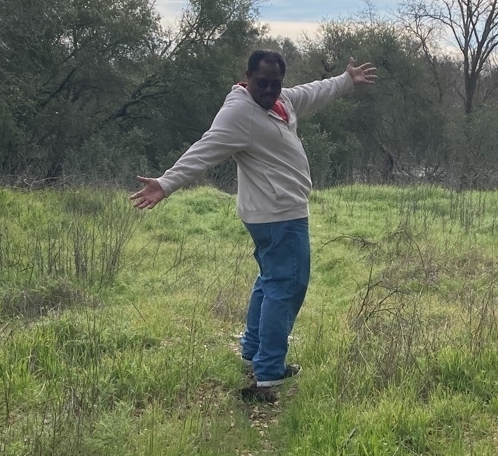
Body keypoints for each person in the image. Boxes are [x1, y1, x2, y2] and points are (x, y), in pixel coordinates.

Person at [130, 49, 376, 401]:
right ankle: (269, 373)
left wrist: (345, 81)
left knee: (270, 281)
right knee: (287, 286)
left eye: (276, 83)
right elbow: (206, 148)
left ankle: (254, 350)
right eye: (262, 83)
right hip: (279, 215)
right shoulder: (240, 112)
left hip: (272, 212)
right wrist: (165, 184)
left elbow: (312, 92)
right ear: (247, 77)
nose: (269, 90)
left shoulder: (282, 102)